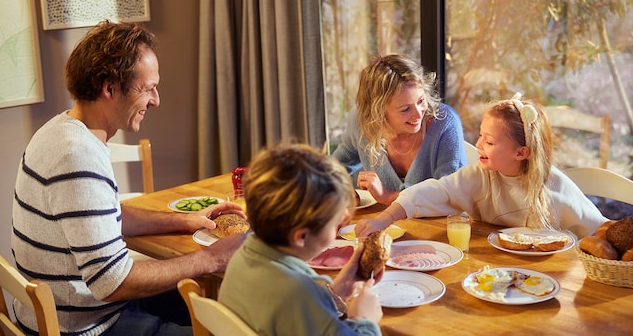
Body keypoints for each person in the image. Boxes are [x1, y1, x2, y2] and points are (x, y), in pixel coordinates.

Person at [11, 20, 247, 335]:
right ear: (109, 88)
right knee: (229, 326)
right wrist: (211, 259)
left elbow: (106, 217)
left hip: (74, 310)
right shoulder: (77, 156)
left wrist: (184, 220)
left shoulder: (62, 130)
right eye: (147, 88)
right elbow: (111, 282)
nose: (156, 100)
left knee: (221, 308)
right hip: (86, 325)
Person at [355, 93, 608, 239]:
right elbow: (432, 191)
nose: (478, 146)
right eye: (480, 136)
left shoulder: (554, 187)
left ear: (521, 152)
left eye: (489, 141)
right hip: (490, 269)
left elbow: (599, 228)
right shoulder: (479, 175)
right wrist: (383, 220)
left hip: (552, 277)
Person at [218, 143, 383, 335]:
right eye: (334, 225)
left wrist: (335, 292)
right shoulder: (299, 293)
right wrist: (364, 320)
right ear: (301, 237)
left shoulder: (241, 258)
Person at [332, 54, 468, 205]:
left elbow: (451, 197)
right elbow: (334, 169)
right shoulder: (361, 120)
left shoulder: (445, 123)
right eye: (405, 109)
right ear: (378, 112)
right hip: (384, 226)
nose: (419, 114)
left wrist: (389, 196)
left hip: (438, 226)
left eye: (421, 101)